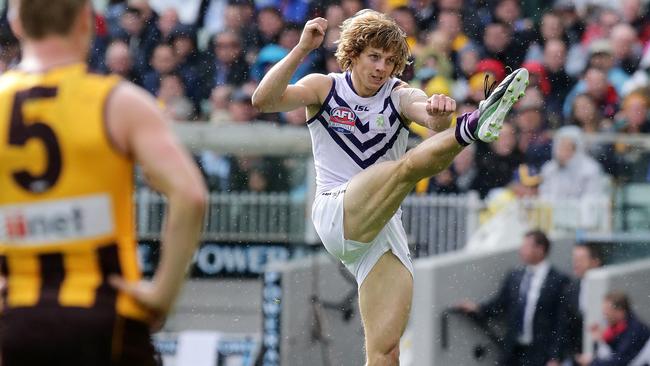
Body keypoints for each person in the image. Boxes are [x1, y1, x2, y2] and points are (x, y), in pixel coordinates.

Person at [252, 10, 529, 365]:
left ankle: (470, 124)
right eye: (374, 57)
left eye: (390, 60)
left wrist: (441, 112)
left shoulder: (398, 94)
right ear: (352, 54)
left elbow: (430, 118)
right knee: (406, 168)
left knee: (386, 352)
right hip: (336, 211)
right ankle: (475, 125)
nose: (382, 67)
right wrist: (302, 48)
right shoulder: (325, 86)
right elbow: (263, 101)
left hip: (382, 228)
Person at [0, 0, 207, 365]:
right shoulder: (120, 101)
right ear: (86, 22)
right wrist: (162, 294)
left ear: (16, 24)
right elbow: (190, 195)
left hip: (15, 319)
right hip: (105, 316)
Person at [457, 230, 570, 366]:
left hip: (540, 352)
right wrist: (477, 308)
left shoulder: (558, 280)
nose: (521, 250)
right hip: (513, 349)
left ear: (540, 249)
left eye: (526, 246)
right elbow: (499, 304)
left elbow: (560, 321)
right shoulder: (515, 276)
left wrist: (555, 357)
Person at [576, 292, 650, 366]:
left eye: (607, 310)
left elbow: (619, 361)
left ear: (620, 312)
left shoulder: (635, 330)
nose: (604, 314)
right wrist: (600, 339)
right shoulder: (621, 326)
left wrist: (592, 362)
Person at [560, 244, 604, 365]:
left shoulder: (609, 287)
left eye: (581, 260)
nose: (576, 263)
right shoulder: (570, 289)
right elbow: (565, 325)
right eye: (574, 259)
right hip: (577, 355)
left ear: (595, 262)